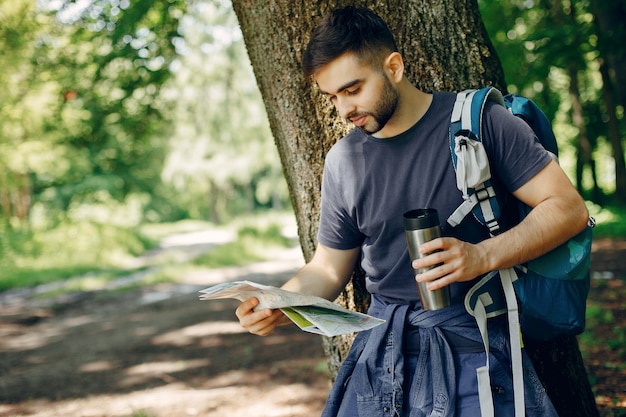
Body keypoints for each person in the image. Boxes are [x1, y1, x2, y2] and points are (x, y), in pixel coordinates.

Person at [235, 6, 589, 417]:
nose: (343, 110)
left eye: (352, 90)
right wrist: (282, 304)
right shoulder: (343, 162)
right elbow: (329, 268)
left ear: (394, 67)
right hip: (382, 352)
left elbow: (567, 209)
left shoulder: (480, 125)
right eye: (332, 97)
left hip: (474, 344)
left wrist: (481, 256)